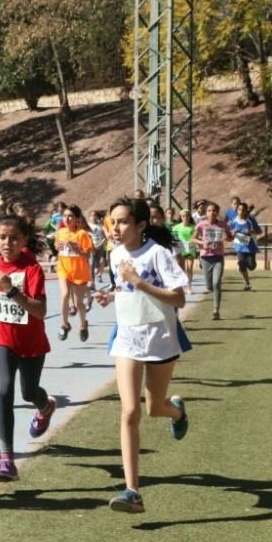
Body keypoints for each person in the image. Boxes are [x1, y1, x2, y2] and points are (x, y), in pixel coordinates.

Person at [92, 197, 190, 513]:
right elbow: (126, 289)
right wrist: (112, 294)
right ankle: (132, 491)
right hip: (128, 339)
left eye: (122, 221)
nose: (115, 228)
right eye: (112, 221)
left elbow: (178, 299)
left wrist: (139, 282)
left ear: (141, 225)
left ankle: (175, 411)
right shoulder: (115, 254)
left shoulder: (159, 254)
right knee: (130, 411)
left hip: (161, 339)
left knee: (154, 408)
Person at [0, 214, 56, 482]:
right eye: (3, 237)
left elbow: (40, 311)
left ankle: (46, 407)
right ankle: (6, 459)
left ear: (24, 241)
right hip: (1, 338)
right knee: (4, 391)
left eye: (14, 238)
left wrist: (12, 292)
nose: (8, 243)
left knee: (29, 392)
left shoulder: (32, 269)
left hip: (30, 343)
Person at [54, 205, 94, 342]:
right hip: (63, 268)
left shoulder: (82, 234)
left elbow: (87, 255)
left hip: (79, 272)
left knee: (78, 304)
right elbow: (57, 246)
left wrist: (75, 249)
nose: (67, 218)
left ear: (77, 218)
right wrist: (58, 247)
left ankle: (83, 324)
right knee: (65, 295)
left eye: (70, 216)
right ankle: (64, 324)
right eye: (65, 216)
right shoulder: (61, 232)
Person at [193, 201, 233, 320]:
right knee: (209, 286)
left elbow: (230, 237)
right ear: (206, 213)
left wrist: (228, 237)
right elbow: (193, 238)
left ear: (217, 212)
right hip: (205, 257)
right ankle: (212, 293)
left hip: (218, 257)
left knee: (216, 283)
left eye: (214, 210)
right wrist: (202, 243)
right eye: (209, 211)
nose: (212, 213)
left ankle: (216, 310)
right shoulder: (201, 225)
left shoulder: (222, 225)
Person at [229, 202, 261, 291]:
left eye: (243, 210)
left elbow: (259, 231)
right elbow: (229, 233)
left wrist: (251, 232)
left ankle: (247, 264)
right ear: (237, 211)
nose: (241, 212)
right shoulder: (233, 220)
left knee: (251, 266)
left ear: (246, 211)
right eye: (239, 210)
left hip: (250, 247)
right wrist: (232, 233)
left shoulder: (251, 220)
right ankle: (247, 283)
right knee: (242, 264)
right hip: (239, 247)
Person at [171, 209, 197, 294]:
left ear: (189, 217)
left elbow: (196, 237)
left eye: (187, 216)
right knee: (181, 268)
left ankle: (189, 287)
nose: (185, 218)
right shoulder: (176, 227)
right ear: (181, 217)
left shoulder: (193, 227)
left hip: (190, 248)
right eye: (183, 216)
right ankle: (181, 286)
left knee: (189, 268)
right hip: (180, 248)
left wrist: (192, 242)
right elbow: (173, 238)